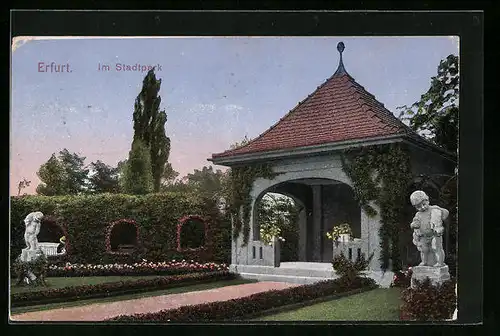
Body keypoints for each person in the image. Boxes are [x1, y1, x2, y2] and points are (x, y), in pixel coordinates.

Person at [410, 191, 449, 267]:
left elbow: (446, 213)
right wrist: (414, 225)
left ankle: (440, 262)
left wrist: (440, 212)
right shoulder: (418, 214)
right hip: (424, 235)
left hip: (435, 234)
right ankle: (424, 262)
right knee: (424, 250)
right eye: (418, 207)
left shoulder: (434, 208)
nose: (422, 207)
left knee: (436, 248)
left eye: (424, 204)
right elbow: (414, 222)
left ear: (427, 200)